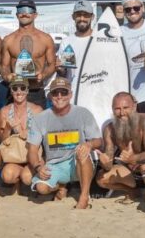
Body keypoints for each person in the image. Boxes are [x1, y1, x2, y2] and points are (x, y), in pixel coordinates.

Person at [27, 77, 102, 209]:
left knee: (82, 152)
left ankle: (84, 196)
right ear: (50, 96)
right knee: (41, 188)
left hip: (79, 162)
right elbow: (32, 150)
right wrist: (38, 167)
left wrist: (88, 144)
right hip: (55, 165)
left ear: (71, 94)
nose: (60, 96)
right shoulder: (40, 118)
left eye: (64, 92)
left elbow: (98, 140)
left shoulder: (83, 113)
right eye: (56, 93)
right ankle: (60, 187)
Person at [95, 92, 145, 202]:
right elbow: (109, 161)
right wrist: (105, 162)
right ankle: (132, 191)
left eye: (125, 108)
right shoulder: (109, 129)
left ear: (134, 106)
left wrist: (133, 158)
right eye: (117, 109)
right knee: (102, 179)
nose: (122, 113)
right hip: (131, 172)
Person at [1, 0, 56, 107]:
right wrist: (7, 76)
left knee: (37, 123)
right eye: (21, 10)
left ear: (35, 15)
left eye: (29, 10)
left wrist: (43, 75)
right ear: (17, 15)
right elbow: (4, 66)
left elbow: (52, 65)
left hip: (35, 90)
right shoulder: (8, 40)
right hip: (15, 90)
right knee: (14, 124)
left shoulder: (46, 39)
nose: (25, 14)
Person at [0, 76, 44, 192]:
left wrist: (30, 133)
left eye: (22, 88)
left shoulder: (37, 110)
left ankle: (24, 178)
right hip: (15, 156)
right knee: (7, 175)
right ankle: (18, 181)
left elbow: (44, 137)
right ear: (11, 91)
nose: (19, 91)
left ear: (27, 90)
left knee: (27, 178)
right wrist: (7, 128)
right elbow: (1, 140)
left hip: (33, 155)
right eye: (15, 88)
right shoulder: (5, 111)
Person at [55, 0, 95, 93]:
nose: (82, 18)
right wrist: (60, 69)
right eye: (78, 15)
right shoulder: (66, 42)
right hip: (73, 94)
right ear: (73, 17)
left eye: (86, 15)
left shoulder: (99, 39)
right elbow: (63, 74)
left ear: (92, 17)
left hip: (95, 93)